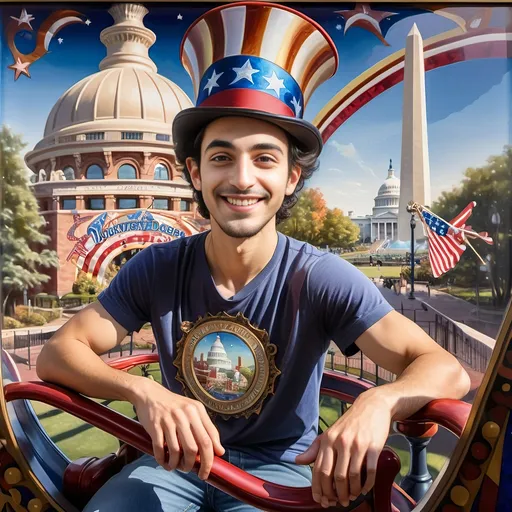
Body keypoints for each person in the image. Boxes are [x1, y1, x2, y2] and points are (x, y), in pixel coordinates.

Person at [36, 3, 470, 511]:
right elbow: (56, 353)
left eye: (264, 157)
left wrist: (379, 401)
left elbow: (446, 368)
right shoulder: (157, 268)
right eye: (221, 157)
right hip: (173, 465)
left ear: (290, 178)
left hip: (280, 470)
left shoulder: (319, 276)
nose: (242, 179)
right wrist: (141, 391)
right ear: (195, 174)